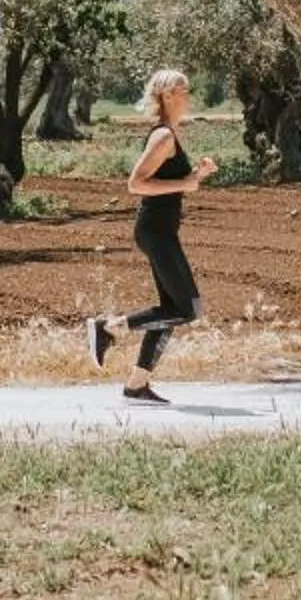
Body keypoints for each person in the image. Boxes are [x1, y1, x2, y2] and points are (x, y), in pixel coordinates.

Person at [87, 68, 216, 406]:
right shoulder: (163, 136)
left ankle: (137, 384)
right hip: (156, 231)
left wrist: (196, 175)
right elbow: (136, 184)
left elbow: (168, 181)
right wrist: (186, 183)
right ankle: (109, 327)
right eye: (184, 90)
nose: (189, 96)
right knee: (188, 309)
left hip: (160, 230)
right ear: (167, 95)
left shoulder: (168, 134)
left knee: (171, 310)